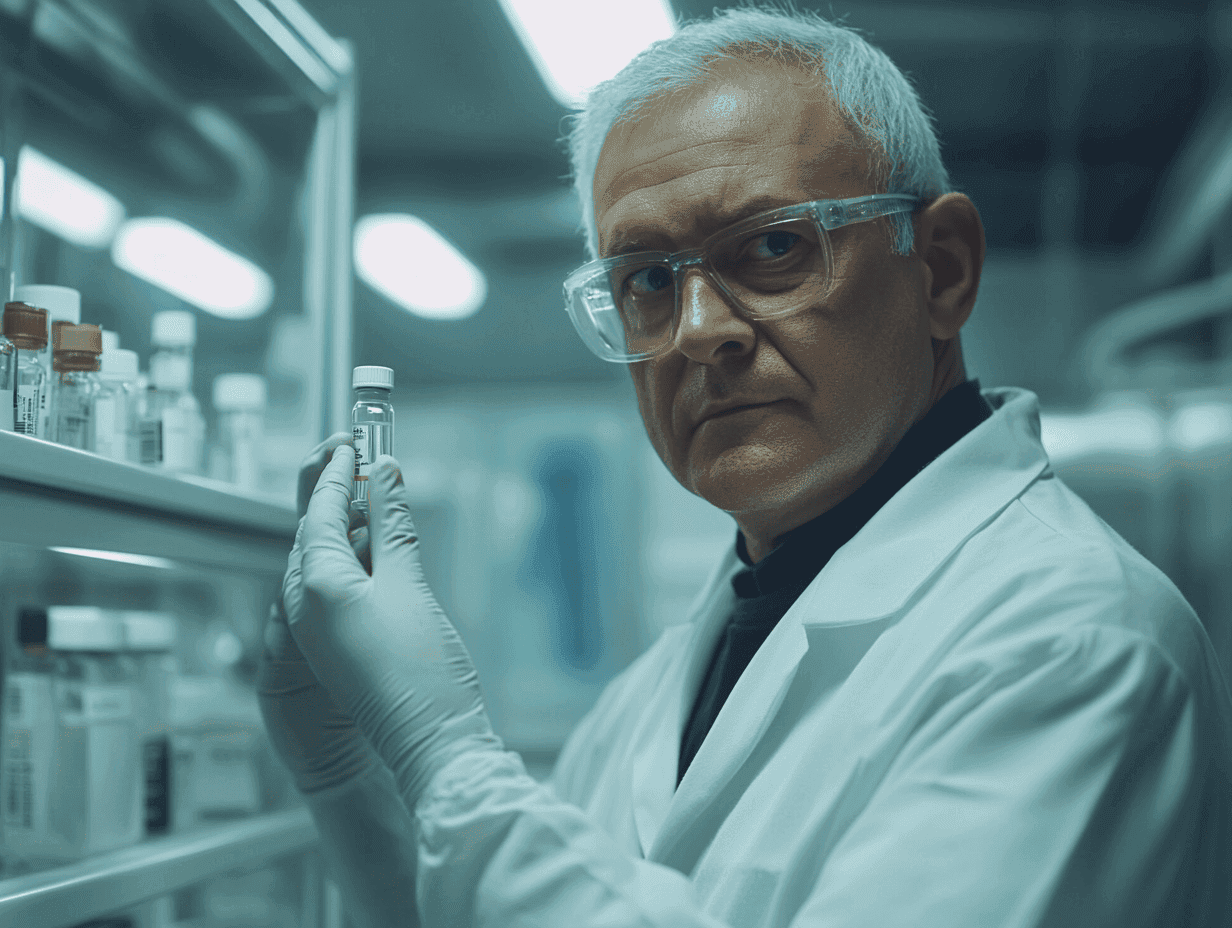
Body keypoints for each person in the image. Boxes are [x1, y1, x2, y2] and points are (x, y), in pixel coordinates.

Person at [257, 6, 1232, 927]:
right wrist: (350, 767)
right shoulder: (667, 681)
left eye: (772, 246)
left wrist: (446, 749)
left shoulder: (1069, 642)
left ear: (939, 269)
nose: (697, 332)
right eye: (644, 280)